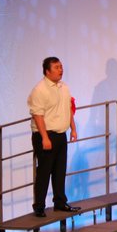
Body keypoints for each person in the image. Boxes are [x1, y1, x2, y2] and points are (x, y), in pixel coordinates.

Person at [27, 56, 79, 218]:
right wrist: (44, 137)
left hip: (60, 135)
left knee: (59, 170)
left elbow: (68, 109)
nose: (60, 70)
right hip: (45, 135)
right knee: (44, 171)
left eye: (61, 66)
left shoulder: (64, 87)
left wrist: (73, 129)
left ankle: (60, 202)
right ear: (47, 71)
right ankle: (39, 206)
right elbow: (38, 115)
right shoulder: (40, 89)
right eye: (56, 67)